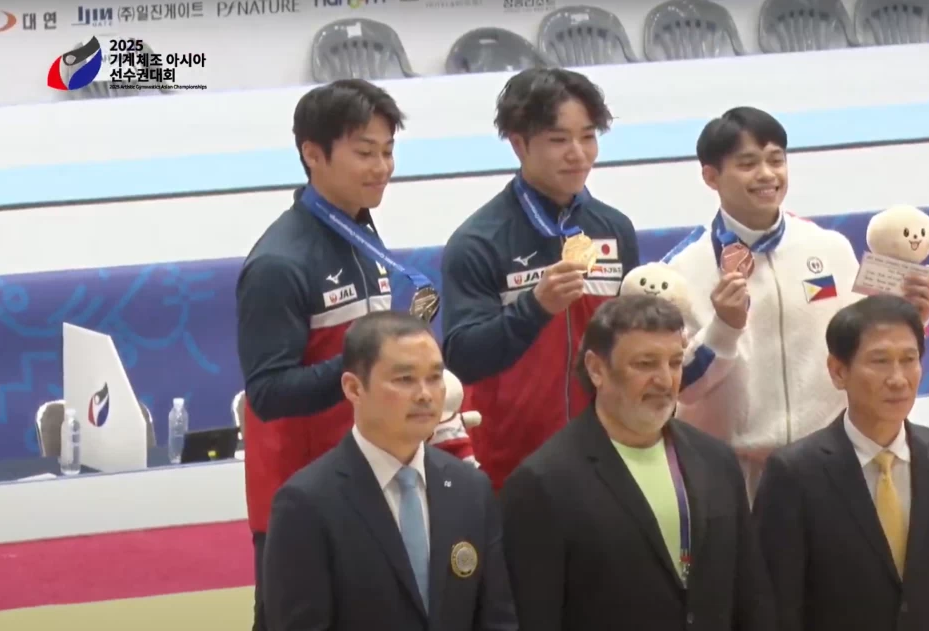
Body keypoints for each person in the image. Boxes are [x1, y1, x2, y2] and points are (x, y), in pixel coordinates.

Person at [235, 79, 471, 630]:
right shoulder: (278, 264)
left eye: (388, 151)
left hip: (375, 481)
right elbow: (267, 394)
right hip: (299, 501)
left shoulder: (362, 235)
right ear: (312, 155)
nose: (382, 167)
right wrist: (371, 362)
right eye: (365, 153)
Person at [663, 106, 929, 498]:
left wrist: (914, 316)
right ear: (711, 176)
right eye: (748, 163)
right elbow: (680, 386)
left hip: (829, 464)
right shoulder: (682, 270)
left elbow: (862, 347)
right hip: (732, 475)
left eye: (776, 160)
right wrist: (725, 327)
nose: (767, 174)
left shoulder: (828, 248)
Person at [499, 295, 774, 631]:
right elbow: (534, 616)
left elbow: (750, 598)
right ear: (596, 369)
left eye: (675, 362)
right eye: (645, 364)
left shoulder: (716, 461)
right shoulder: (542, 483)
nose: (665, 380)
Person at [440, 68, 641, 489]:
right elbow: (463, 357)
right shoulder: (479, 241)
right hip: (512, 464)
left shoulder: (615, 229)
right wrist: (534, 308)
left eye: (587, 137)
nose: (578, 154)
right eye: (558, 139)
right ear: (519, 144)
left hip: (610, 455)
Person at [752, 295, 929, 631]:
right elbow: (777, 609)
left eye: (909, 360)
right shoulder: (795, 473)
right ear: (838, 371)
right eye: (880, 361)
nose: (898, 378)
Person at [261, 311, 518, 631]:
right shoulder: (306, 504)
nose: (425, 394)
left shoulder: (471, 489)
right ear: (354, 388)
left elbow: (497, 619)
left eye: (434, 377)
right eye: (405, 379)